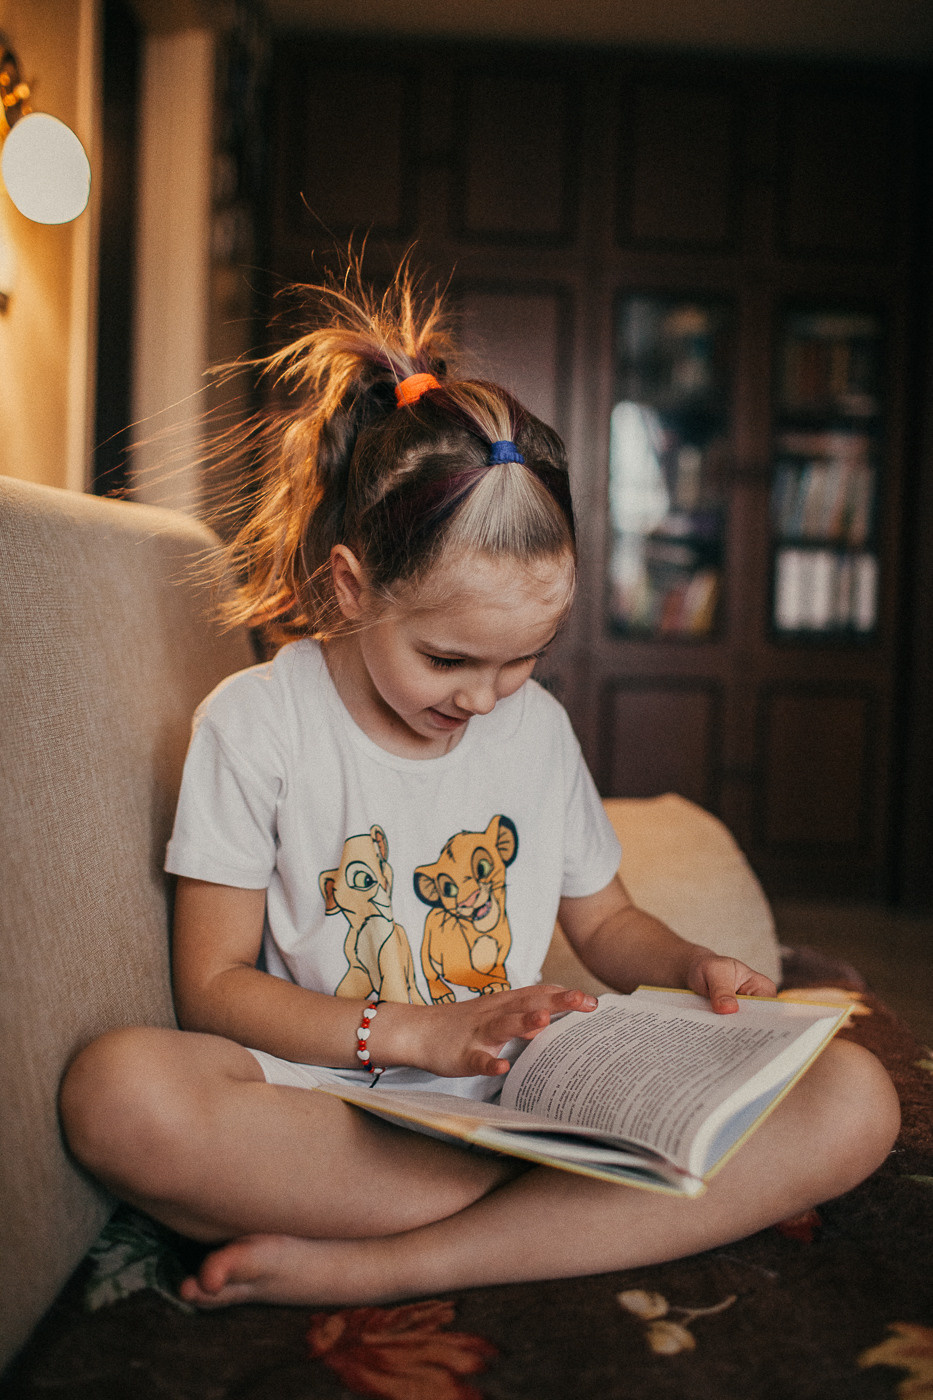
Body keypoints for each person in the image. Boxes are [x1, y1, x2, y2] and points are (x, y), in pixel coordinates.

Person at [60, 265, 900, 1310]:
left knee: (858, 1096)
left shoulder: (533, 729)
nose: (486, 698)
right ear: (350, 584)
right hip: (340, 1106)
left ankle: (395, 1259)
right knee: (120, 1091)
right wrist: (418, 1034)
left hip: (521, 1096)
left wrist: (691, 963)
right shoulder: (258, 721)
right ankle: (584, 1204)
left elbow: (610, 919)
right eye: (450, 659)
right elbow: (215, 989)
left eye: (524, 660)